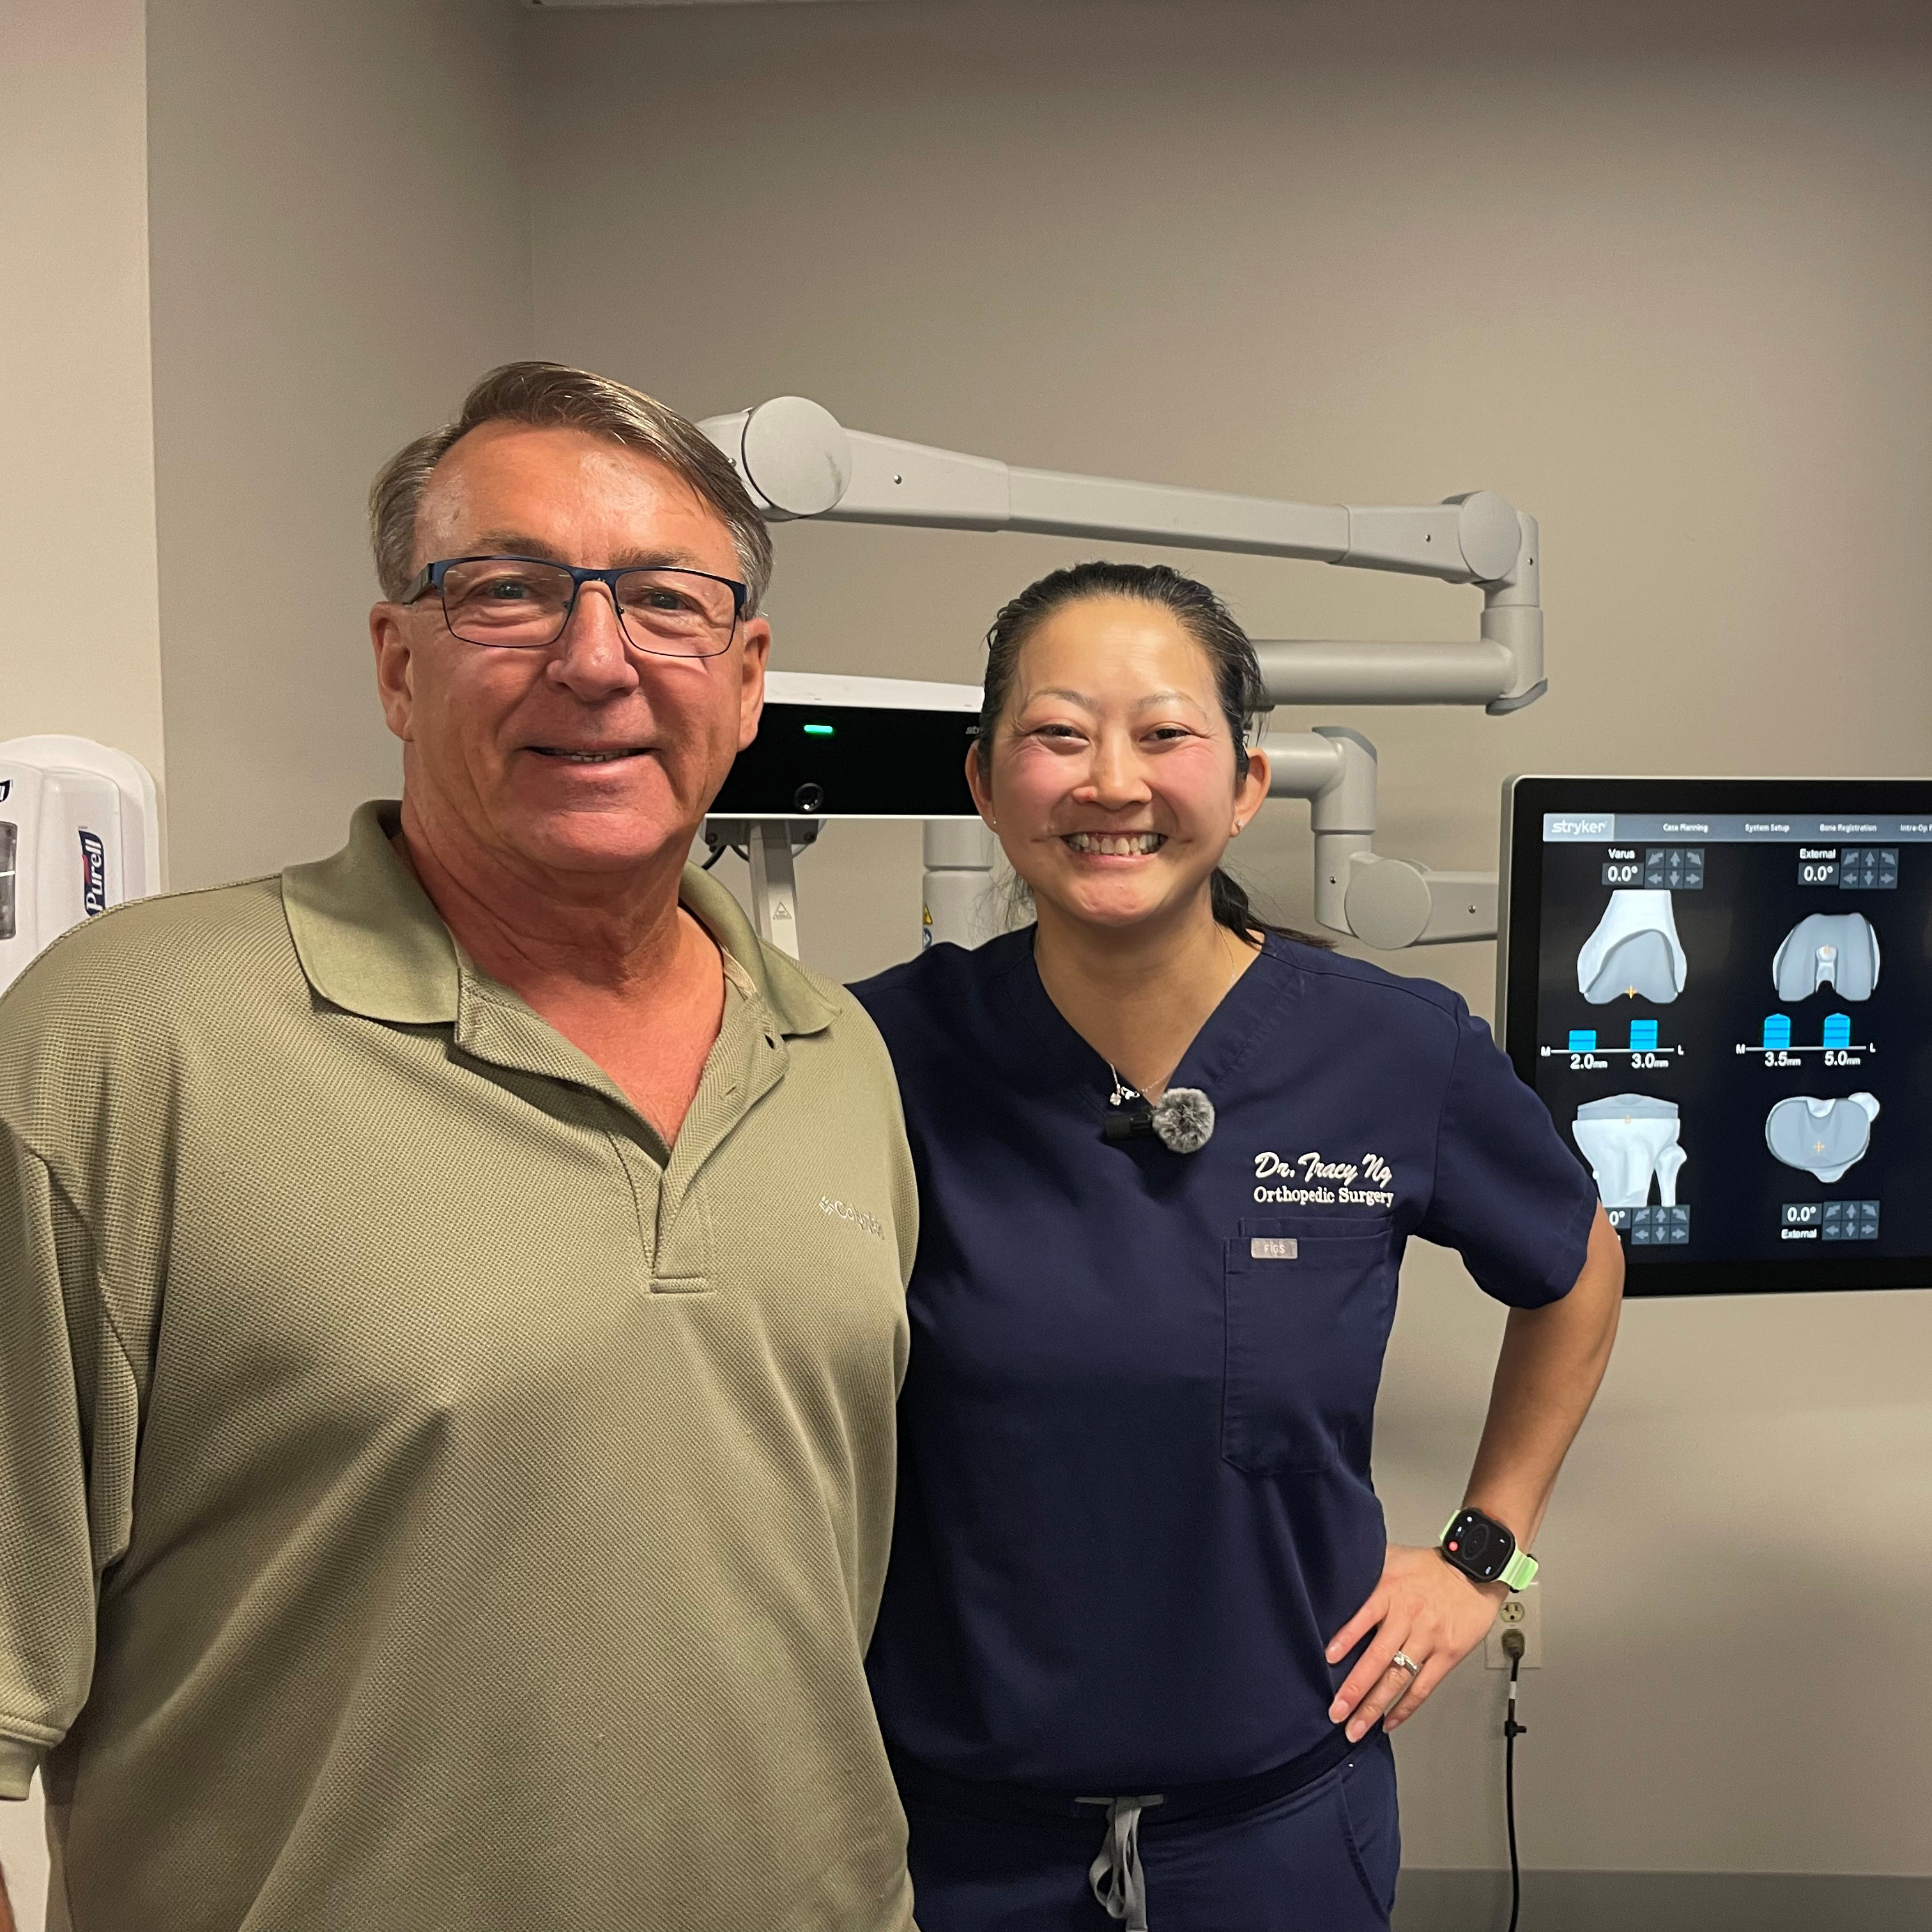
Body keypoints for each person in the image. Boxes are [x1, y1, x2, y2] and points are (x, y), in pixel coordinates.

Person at [0, 364, 920, 1932]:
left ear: (747, 676)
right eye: (506, 592)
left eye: (665, 604)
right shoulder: (128, 1045)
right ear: (397, 663)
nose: (592, 659)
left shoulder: (835, 1057)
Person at [851, 561, 1624, 1931]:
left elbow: (1574, 1263)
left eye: (1164, 733)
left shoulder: (1391, 1048)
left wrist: (1484, 1553)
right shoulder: (874, 1058)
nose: (1110, 781)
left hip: (1275, 1829)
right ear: (981, 783)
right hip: (957, 1841)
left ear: (1249, 783)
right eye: (1055, 733)